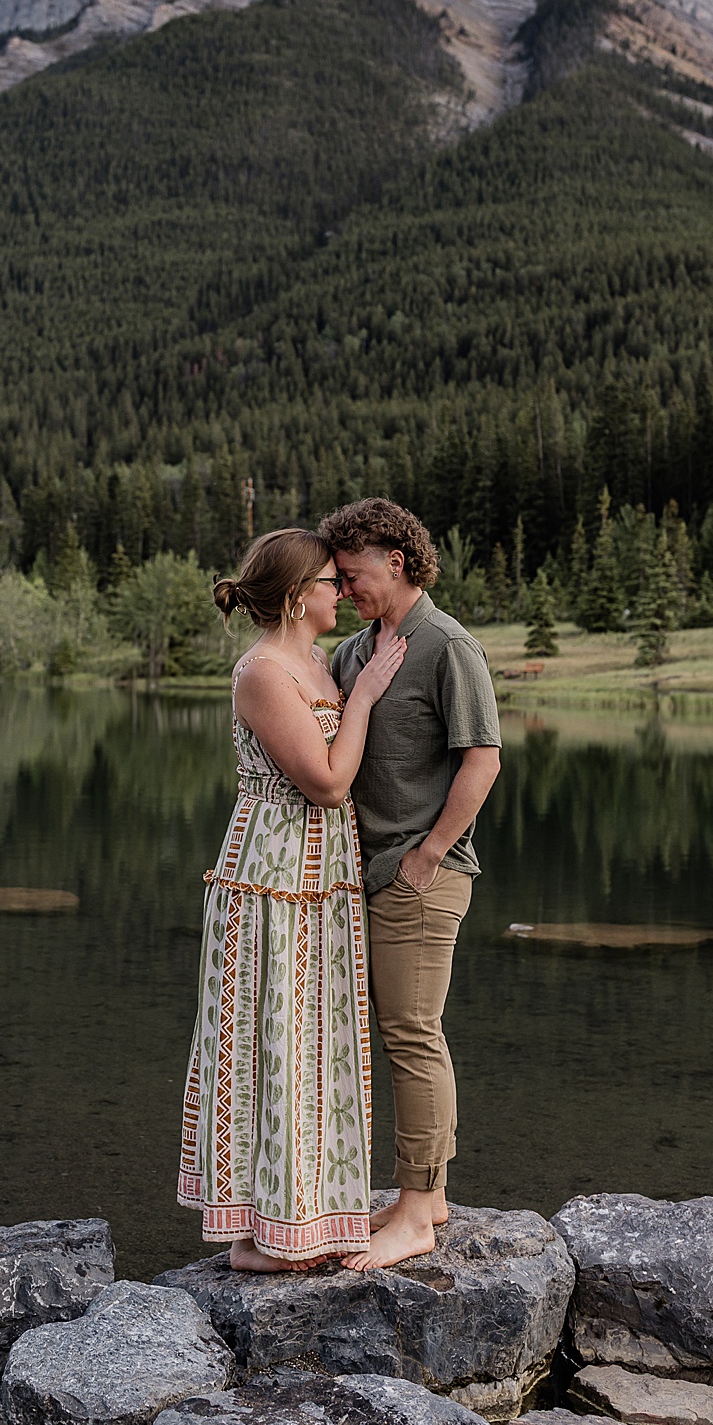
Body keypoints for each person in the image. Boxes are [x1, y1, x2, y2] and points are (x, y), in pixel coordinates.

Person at [176, 527, 406, 1269]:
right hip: (272, 879)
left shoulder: (313, 659)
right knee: (265, 1043)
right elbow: (328, 781)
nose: (342, 590)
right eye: (330, 582)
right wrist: (366, 693)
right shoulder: (265, 673)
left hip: (321, 880)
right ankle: (253, 1236)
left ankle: (305, 1220)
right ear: (298, 595)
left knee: (311, 1045)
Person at [320, 498, 502, 1270]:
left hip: (420, 876)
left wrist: (426, 857)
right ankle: (419, 1197)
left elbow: (483, 760)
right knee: (392, 1037)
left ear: (396, 560)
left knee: (412, 1034)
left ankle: (420, 1216)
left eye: (354, 574)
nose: (345, 587)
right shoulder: (358, 650)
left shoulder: (446, 646)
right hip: (367, 875)